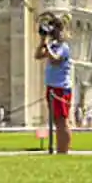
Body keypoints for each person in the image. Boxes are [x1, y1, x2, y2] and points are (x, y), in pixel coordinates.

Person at [35, 16, 73, 154]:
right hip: (52, 87)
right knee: (57, 121)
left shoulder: (64, 47)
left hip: (61, 88)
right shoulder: (53, 45)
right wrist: (42, 42)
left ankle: (64, 150)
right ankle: (60, 149)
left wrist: (48, 48)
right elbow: (38, 55)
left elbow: (55, 60)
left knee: (62, 121)